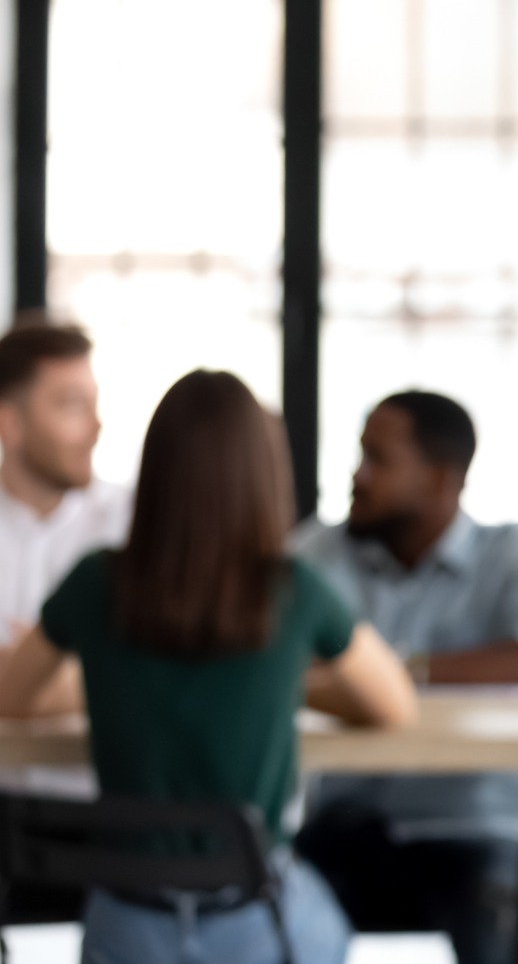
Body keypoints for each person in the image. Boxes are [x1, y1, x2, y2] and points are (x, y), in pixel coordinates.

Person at [0, 369, 416, 964]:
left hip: (125, 926)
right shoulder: (295, 590)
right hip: (252, 922)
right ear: (265, 475)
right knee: (333, 926)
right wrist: (279, 683)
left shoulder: (95, 582)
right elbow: (394, 706)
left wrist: (105, 680)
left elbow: (11, 697)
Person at [294, 390, 518, 964]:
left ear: (441, 479)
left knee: (496, 912)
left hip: (474, 826)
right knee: (263, 908)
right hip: (346, 823)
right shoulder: (321, 553)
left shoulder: (513, 553)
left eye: (378, 459)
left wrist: (390, 673)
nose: (358, 476)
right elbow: (268, 648)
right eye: (360, 456)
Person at [0, 320, 130, 723]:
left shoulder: (130, 522)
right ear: (10, 424)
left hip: (93, 786)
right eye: (74, 406)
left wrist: (23, 672)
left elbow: (157, 670)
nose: (96, 427)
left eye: (95, 404)